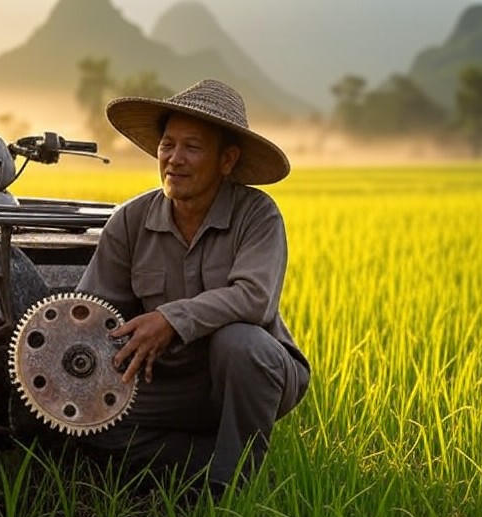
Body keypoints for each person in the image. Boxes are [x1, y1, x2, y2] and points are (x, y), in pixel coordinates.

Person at [76, 79, 310, 494]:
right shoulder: (129, 221)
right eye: (167, 145)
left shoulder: (258, 215)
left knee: (240, 343)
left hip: (245, 375)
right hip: (167, 381)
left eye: (193, 147)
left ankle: (229, 490)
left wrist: (170, 319)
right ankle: (215, 460)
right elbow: (94, 312)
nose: (174, 159)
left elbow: (255, 298)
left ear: (227, 160)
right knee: (91, 422)